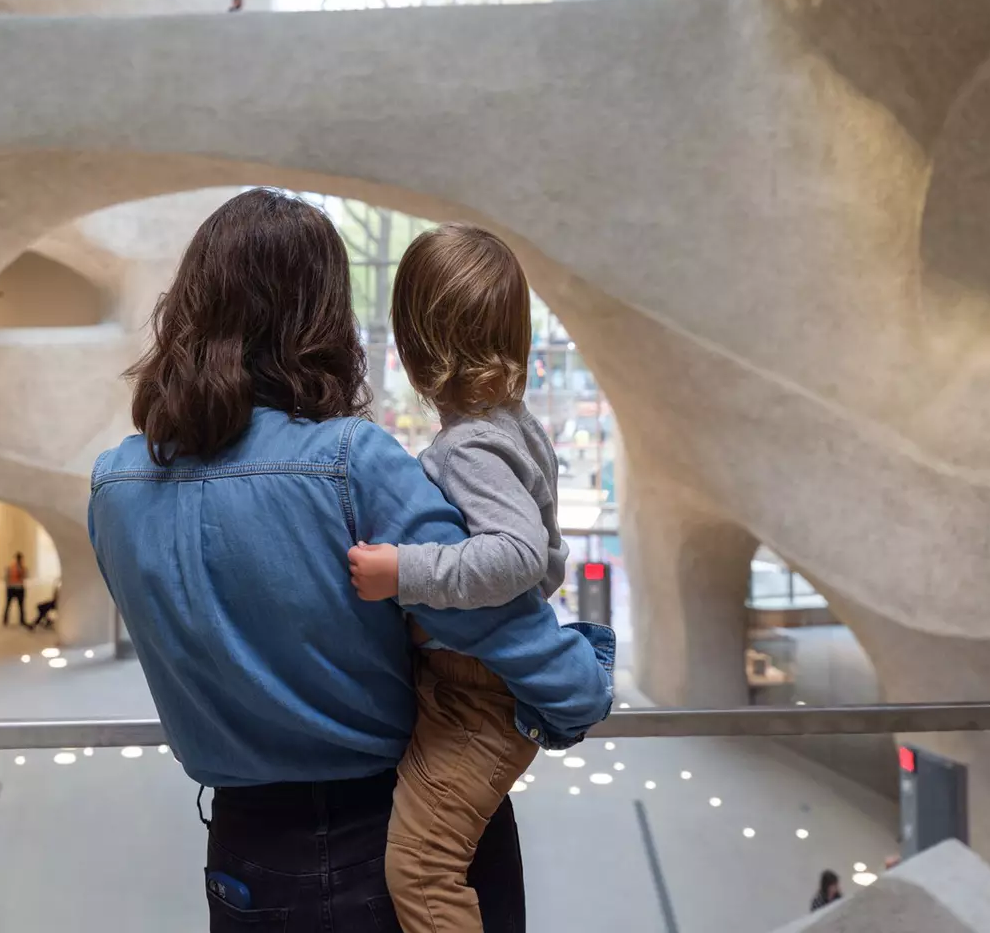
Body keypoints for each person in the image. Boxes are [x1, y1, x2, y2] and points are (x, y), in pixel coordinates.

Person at [88, 190, 614, 932]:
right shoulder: (349, 464)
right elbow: (501, 628)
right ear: (321, 319)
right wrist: (582, 687)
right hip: (395, 832)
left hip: (246, 851)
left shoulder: (114, 485)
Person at [344, 224, 568, 933]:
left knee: (422, 866)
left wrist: (403, 573)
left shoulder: (470, 446)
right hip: (480, 692)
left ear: (416, 347)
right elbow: (553, 558)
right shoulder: (516, 427)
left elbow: (522, 556)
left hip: (476, 700)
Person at [2, 551, 27, 626]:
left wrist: (7, 586)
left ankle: (5, 620)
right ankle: (21, 620)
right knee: (20, 606)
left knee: (9, 605)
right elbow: (24, 576)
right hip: (18, 588)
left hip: (12, 588)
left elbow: (6, 577)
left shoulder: (11, 567)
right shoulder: (22, 567)